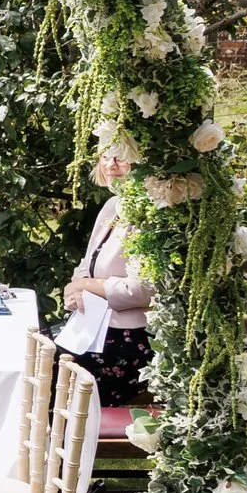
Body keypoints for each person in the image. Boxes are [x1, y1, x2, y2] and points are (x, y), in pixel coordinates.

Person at [61, 148, 154, 405]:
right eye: (105, 156)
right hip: (92, 325)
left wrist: (84, 285)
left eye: (121, 157)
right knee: (34, 351)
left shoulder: (151, 213)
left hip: (129, 338)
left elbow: (141, 290)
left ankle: (72, 440)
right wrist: (76, 290)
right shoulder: (113, 205)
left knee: (53, 372)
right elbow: (86, 264)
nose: (111, 165)